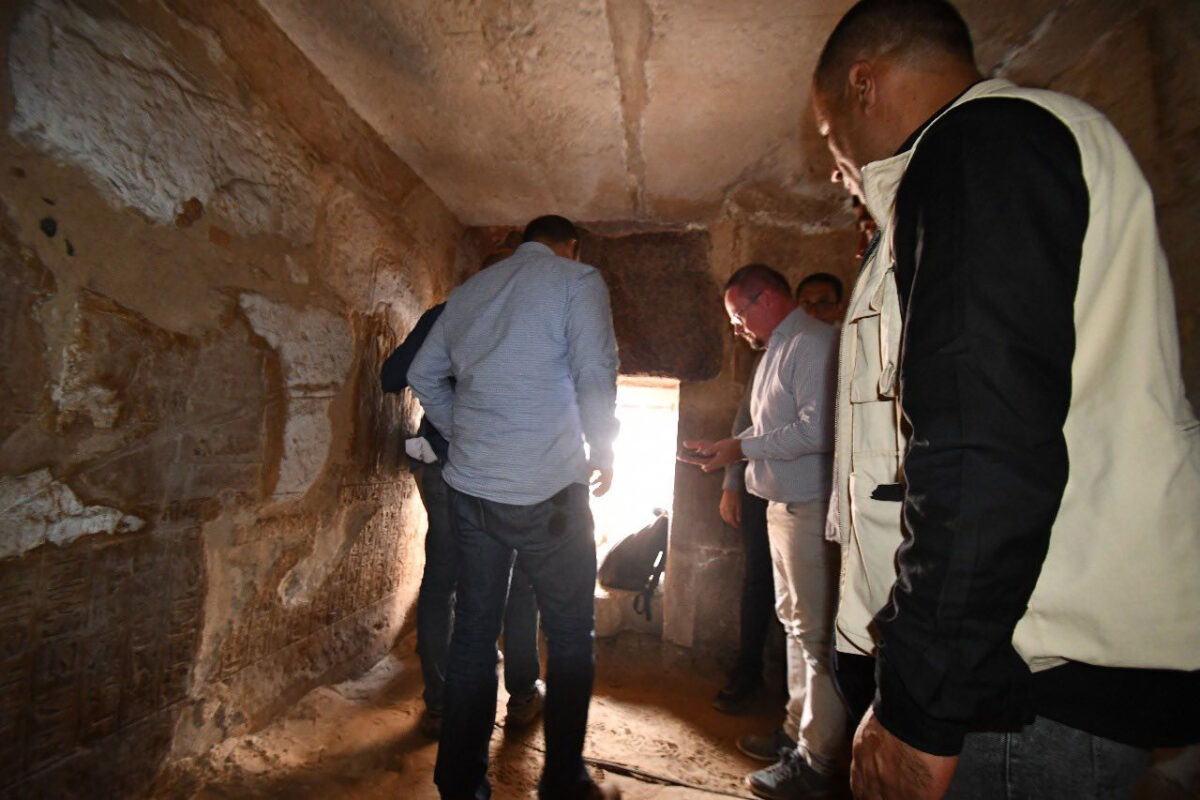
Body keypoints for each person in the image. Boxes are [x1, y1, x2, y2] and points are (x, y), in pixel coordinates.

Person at [811, 1, 1200, 798]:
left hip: (1012, 689)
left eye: (826, 133)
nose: (831, 161)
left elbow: (980, 441)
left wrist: (924, 701)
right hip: (1010, 671)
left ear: (863, 86)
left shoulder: (980, 147)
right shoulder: (998, 152)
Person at [408, 215, 621, 800]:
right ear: (570, 246)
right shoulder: (578, 281)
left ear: (522, 242)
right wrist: (604, 448)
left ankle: (459, 784)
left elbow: (422, 372)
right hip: (548, 491)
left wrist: (463, 432)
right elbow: (594, 371)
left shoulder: (471, 292)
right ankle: (563, 782)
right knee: (570, 636)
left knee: (474, 635)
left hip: (473, 490)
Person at [680, 263, 845, 799]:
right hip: (780, 504)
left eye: (737, 315)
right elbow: (764, 425)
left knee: (815, 636)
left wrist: (741, 448)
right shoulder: (776, 349)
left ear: (765, 298)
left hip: (809, 506)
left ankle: (817, 763)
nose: (736, 327)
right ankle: (795, 733)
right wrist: (727, 452)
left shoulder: (814, 343)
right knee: (795, 625)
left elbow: (818, 430)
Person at [380, 249, 545, 740]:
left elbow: (393, 376)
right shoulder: (534, 324)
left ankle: (440, 705)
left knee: (443, 579)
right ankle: (521, 696)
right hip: (510, 469)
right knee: (519, 580)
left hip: (446, 461)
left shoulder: (448, 314)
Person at [712, 330, 777, 715]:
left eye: (824, 303)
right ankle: (749, 670)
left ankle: (792, 688)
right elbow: (745, 419)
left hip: (811, 490)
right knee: (757, 582)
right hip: (760, 487)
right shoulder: (768, 357)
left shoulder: (833, 349)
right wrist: (732, 482)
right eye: (808, 303)